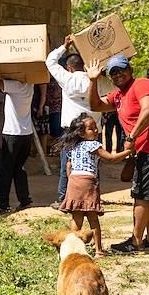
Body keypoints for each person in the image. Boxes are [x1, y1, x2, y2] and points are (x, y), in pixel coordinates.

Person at [87, 55, 149, 253]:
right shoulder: (118, 95)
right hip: (146, 150)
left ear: (130, 69)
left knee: (142, 196)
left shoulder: (142, 84)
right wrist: (93, 80)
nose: (118, 74)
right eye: (113, 72)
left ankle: (136, 242)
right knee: (147, 196)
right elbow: (95, 106)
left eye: (121, 70)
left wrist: (131, 137)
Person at [58, 113, 134, 257]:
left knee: (76, 218)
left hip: (74, 182)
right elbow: (111, 159)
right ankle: (99, 251)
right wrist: (128, 152)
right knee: (93, 218)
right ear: (81, 133)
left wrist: (72, 181)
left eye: (95, 127)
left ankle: (74, 249)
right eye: (91, 129)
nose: (96, 130)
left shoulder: (73, 147)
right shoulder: (93, 145)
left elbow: (68, 166)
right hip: (87, 182)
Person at [45, 34, 103, 209]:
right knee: (93, 164)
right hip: (93, 130)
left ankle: (64, 198)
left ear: (69, 68)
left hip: (72, 130)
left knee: (67, 164)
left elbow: (50, 62)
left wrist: (65, 46)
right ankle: (93, 198)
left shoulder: (67, 79)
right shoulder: (97, 80)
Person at [0, 44, 34, 214]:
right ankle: (24, 199)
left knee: (5, 170)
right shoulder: (29, 85)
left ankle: (2, 204)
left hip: (12, 134)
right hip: (26, 134)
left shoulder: (16, 86)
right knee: (19, 168)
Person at [32, 83, 50, 156]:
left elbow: (43, 94)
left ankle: (43, 152)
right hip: (33, 106)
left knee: (43, 131)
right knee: (35, 130)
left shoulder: (42, 80)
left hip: (41, 107)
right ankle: (35, 151)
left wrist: (40, 108)